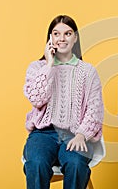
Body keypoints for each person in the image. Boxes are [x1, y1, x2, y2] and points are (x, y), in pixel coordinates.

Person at [23, 15, 104, 189]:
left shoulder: (88, 71)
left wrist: (82, 134)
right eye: (56, 33)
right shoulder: (37, 68)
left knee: (75, 165)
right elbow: (37, 99)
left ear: (75, 38)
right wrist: (49, 65)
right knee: (36, 164)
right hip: (43, 134)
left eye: (67, 33)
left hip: (75, 134)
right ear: (50, 37)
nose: (61, 38)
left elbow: (95, 109)